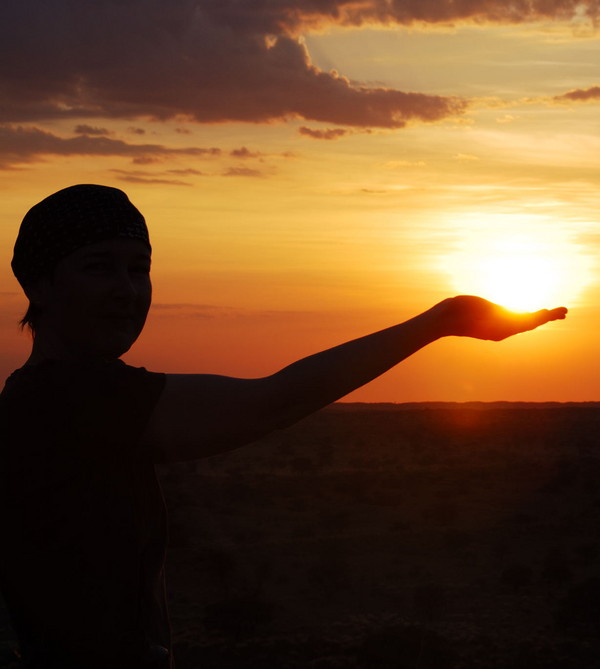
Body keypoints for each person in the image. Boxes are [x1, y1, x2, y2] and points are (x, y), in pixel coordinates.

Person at [0, 184, 567, 668]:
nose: (126, 291)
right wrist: (440, 322)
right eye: (99, 267)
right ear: (41, 286)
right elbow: (271, 402)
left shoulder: (43, 399)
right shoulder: (68, 400)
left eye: (139, 269)